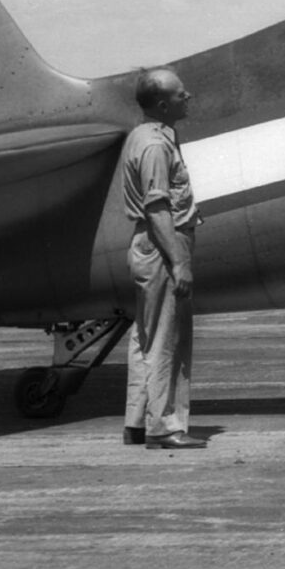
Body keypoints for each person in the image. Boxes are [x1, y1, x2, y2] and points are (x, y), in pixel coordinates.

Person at [121, 66, 199, 449]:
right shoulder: (155, 146)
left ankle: (138, 422)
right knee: (167, 339)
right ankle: (165, 428)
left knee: (146, 337)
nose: (188, 97)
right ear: (164, 105)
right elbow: (157, 208)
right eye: (181, 94)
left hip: (149, 245)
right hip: (163, 246)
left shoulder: (145, 136)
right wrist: (179, 261)